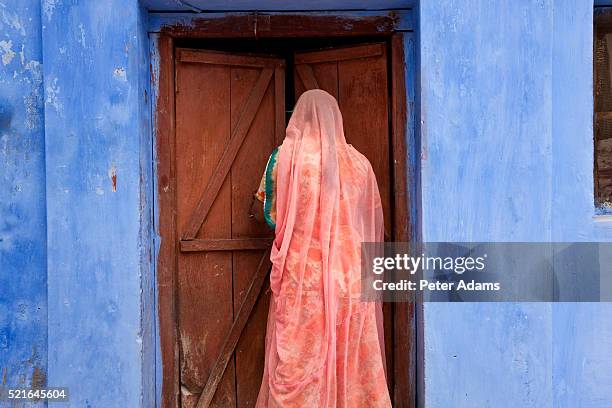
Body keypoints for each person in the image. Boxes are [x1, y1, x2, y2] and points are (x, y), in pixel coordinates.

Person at [253, 89, 391, 407]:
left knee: (299, 356)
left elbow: (270, 215)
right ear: (336, 118)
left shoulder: (284, 159)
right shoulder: (360, 164)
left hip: (304, 281)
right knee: (351, 356)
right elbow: (371, 221)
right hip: (350, 279)